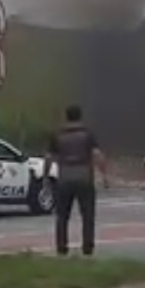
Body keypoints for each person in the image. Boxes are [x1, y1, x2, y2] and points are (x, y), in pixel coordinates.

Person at [46, 105, 109, 257]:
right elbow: (97, 154)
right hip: (84, 177)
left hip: (64, 178)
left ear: (66, 117)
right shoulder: (87, 134)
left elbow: (49, 157)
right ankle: (87, 247)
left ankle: (62, 248)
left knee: (62, 216)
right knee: (87, 215)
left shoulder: (58, 135)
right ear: (80, 116)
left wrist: (45, 176)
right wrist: (104, 175)